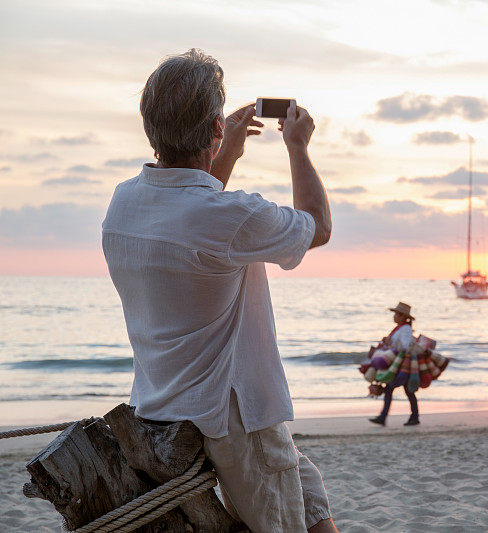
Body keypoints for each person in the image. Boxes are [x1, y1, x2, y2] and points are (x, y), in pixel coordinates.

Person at [102, 49, 336, 533]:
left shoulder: (125, 203)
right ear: (213, 126)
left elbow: (194, 213)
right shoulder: (230, 217)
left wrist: (225, 150)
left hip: (161, 404)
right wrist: (298, 146)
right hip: (232, 415)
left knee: (309, 499)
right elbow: (317, 227)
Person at [369, 302, 420, 427]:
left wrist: (390, 342)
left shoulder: (405, 329)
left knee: (395, 390)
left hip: (403, 365)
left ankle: (384, 417)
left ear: (403, 316)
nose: (394, 316)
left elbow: (405, 346)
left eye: (396, 314)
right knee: (406, 391)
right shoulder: (400, 328)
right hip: (399, 365)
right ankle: (412, 417)